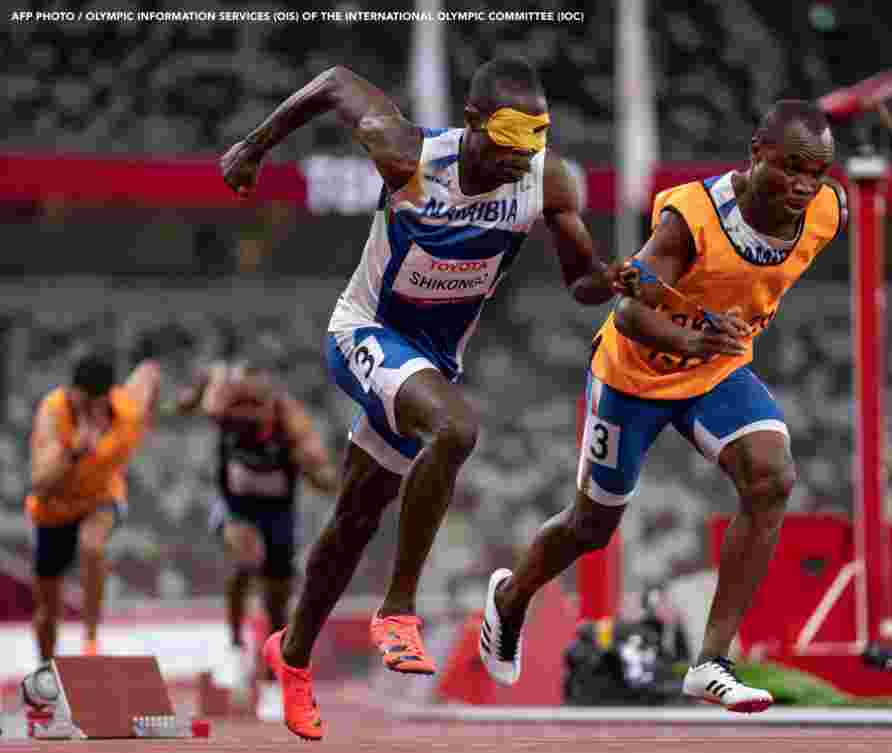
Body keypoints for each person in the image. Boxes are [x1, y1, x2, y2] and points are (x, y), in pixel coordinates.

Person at [220, 56, 630, 739]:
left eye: (531, 146)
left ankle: (289, 656)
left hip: (430, 362)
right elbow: (331, 82)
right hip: (367, 333)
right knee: (458, 430)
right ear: (471, 125)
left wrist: (616, 278)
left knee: (357, 513)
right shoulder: (407, 152)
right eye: (506, 146)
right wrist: (254, 147)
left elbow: (581, 282)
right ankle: (398, 608)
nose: (517, 162)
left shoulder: (544, 182)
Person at [478, 100, 849, 713]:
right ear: (756, 155)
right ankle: (512, 597)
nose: (804, 185)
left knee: (772, 477)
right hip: (632, 376)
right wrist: (692, 339)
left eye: (818, 171)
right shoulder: (691, 219)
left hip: (715, 372)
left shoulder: (827, 210)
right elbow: (630, 311)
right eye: (790, 168)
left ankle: (710, 662)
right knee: (591, 527)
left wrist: (709, 348)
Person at [173, 360, 338, 720]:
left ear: (271, 403)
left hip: (278, 513)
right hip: (233, 505)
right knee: (246, 555)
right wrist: (189, 397)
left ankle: (269, 681)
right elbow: (199, 399)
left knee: (277, 604)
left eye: (257, 409)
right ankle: (234, 647)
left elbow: (326, 478)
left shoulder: (291, 422)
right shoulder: (223, 403)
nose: (249, 417)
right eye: (243, 407)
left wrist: (312, 467)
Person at [26, 350, 161, 661]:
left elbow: (149, 371)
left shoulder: (128, 410)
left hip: (100, 500)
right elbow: (39, 481)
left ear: (106, 398)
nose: (85, 410)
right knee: (47, 608)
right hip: (53, 509)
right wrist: (72, 451)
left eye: (92, 405)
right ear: (70, 393)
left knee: (92, 545)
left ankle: (91, 641)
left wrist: (154, 409)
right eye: (79, 403)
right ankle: (45, 669)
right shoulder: (53, 412)